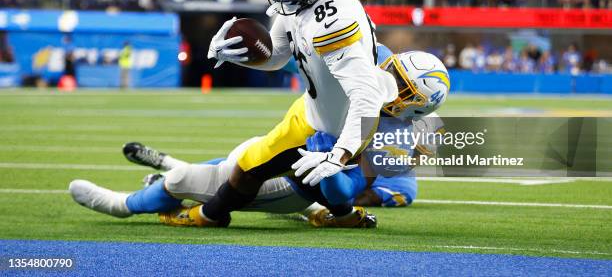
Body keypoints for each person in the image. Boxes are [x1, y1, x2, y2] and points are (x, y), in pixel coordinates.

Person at [68, 49, 449, 227]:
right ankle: (166, 172)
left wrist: (327, 163)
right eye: (394, 71)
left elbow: (344, 196)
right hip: (284, 146)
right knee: (232, 163)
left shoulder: (393, 140)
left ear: (412, 107)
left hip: (295, 185)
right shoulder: (373, 58)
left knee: (189, 181)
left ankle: (124, 204)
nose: (387, 80)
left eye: (401, 85)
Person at [200, 0, 395, 228]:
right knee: (253, 162)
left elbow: (367, 97)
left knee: (250, 168)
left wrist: (340, 153)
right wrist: (238, 55)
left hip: (336, 123)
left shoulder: (333, 23)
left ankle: (208, 216)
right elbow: (277, 55)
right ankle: (343, 216)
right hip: (312, 107)